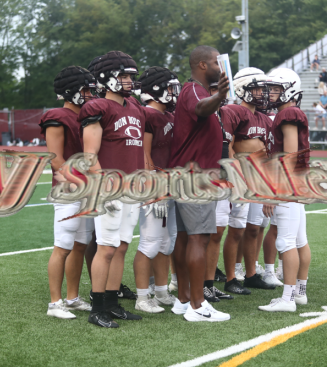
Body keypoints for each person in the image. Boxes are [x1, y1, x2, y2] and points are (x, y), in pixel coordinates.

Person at [80, 51, 145, 328]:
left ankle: (112, 302)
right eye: (124, 75)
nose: (129, 80)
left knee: (120, 247)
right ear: (107, 78)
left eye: (130, 75)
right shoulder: (97, 107)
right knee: (105, 248)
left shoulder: (135, 107)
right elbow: (90, 155)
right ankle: (97, 307)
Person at [168, 45, 231, 322]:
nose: (222, 66)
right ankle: (197, 304)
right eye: (217, 62)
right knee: (198, 238)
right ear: (203, 65)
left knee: (184, 239)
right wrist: (220, 95)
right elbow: (201, 109)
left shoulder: (200, 91)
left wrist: (218, 96)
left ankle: (183, 300)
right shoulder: (195, 89)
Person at [39, 66, 95, 319]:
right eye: (85, 89)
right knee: (62, 246)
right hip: (68, 189)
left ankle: (72, 297)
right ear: (71, 91)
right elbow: (56, 159)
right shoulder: (57, 116)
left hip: (86, 188)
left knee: (80, 246)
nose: (89, 94)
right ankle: (54, 303)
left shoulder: (87, 116)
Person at [260, 68, 311, 312]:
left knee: (286, 241)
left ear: (289, 89)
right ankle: (299, 291)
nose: (270, 93)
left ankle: (288, 298)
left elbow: (289, 156)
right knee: (299, 240)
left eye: (276, 89)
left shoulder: (288, 113)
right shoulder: (288, 112)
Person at [132, 66, 181, 313]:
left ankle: (161, 291)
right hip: (155, 187)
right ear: (156, 90)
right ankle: (142, 297)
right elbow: (145, 153)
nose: (175, 92)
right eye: (170, 87)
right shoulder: (147, 115)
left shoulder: (169, 116)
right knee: (151, 241)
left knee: (167, 242)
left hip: (169, 186)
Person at [224, 67, 275, 294]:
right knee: (236, 229)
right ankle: (232, 275)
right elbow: (229, 146)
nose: (261, 93)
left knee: (254, 228)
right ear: (242, 88)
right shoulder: (234, 111)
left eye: (262, 89)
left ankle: (251, 273)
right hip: (242, 177)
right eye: (256, 88)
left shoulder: (264, 118)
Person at [203, 81, 241, 302]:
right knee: (201, 236)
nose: (220, 93)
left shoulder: (225, 115)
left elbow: (231, 147)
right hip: (205, 180)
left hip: (223, 181)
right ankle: (191, 283)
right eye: (214, 88)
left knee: (217, 234)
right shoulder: (201, 115)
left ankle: (209, 283)